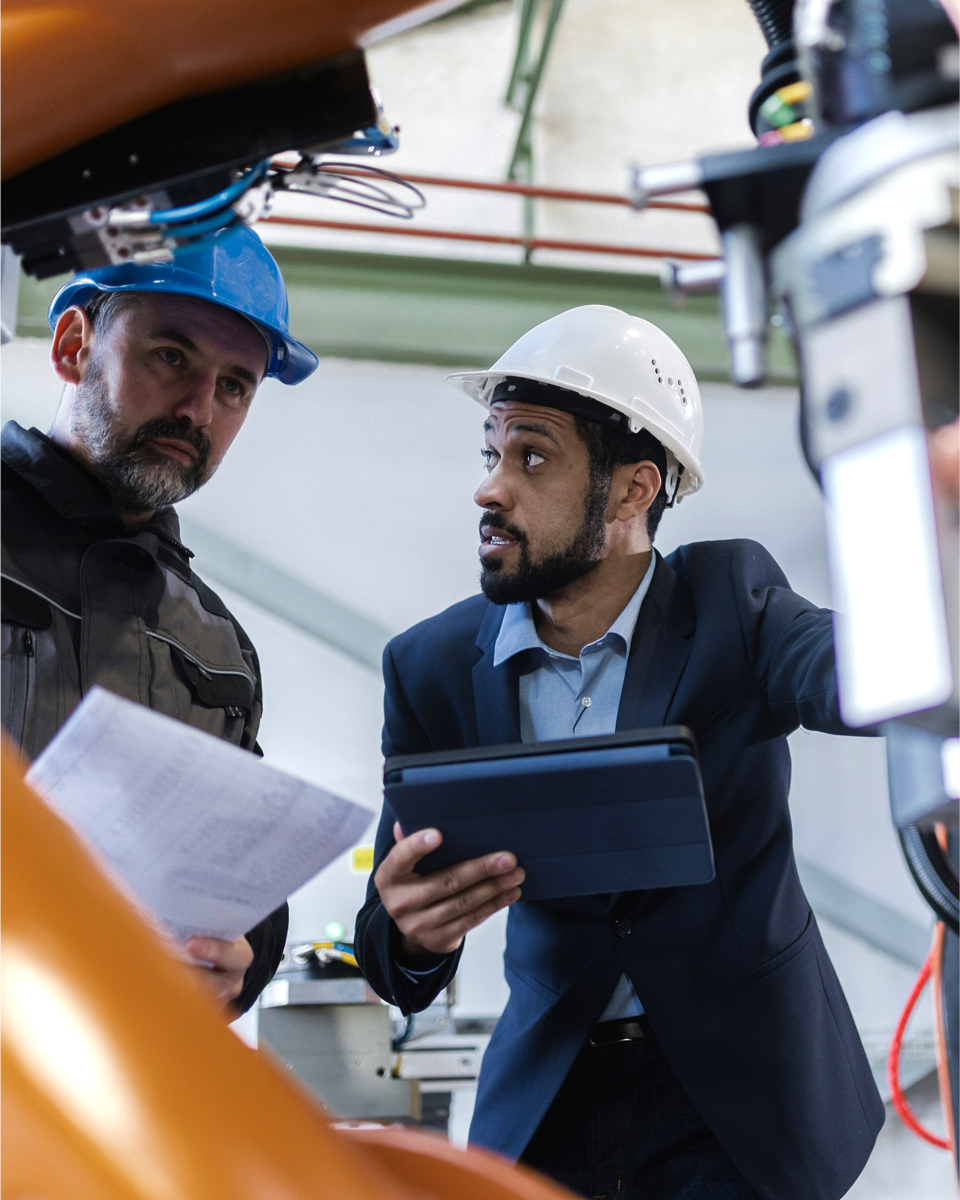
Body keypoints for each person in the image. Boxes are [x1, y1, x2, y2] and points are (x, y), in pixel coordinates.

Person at [354, 305, 884, 1200]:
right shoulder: (434, 667)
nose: (491, 489)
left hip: (740, 1109)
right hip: (552, 1110)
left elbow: (857, 672)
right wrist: (409, 931)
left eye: (532, 456)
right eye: (491, 453)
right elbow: (390, 940)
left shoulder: (734, 605)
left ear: (636, 489)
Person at [1, 225, 319, 1014]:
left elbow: (239, 883)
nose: (197, 409)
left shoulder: (217, 648)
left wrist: (239, 957)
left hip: (105, 1085)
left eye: (235, 386)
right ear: (74, 344)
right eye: (171, 356)